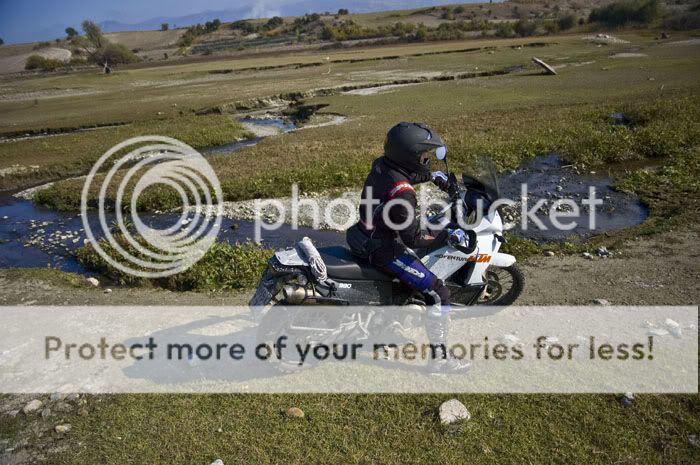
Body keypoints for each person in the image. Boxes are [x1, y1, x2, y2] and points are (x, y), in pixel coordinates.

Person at [347, 122, 471, 374]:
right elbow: (414, 238)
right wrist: (446, 235)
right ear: (411, 156)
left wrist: (433, 176)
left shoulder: (382, 164)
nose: (427, 159)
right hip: (383, 247)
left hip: (363, 232)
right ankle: (440, 361)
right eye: (424, 156)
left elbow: (402, 173)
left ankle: (391, 320)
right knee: (438, 292)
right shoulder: (404, 197)